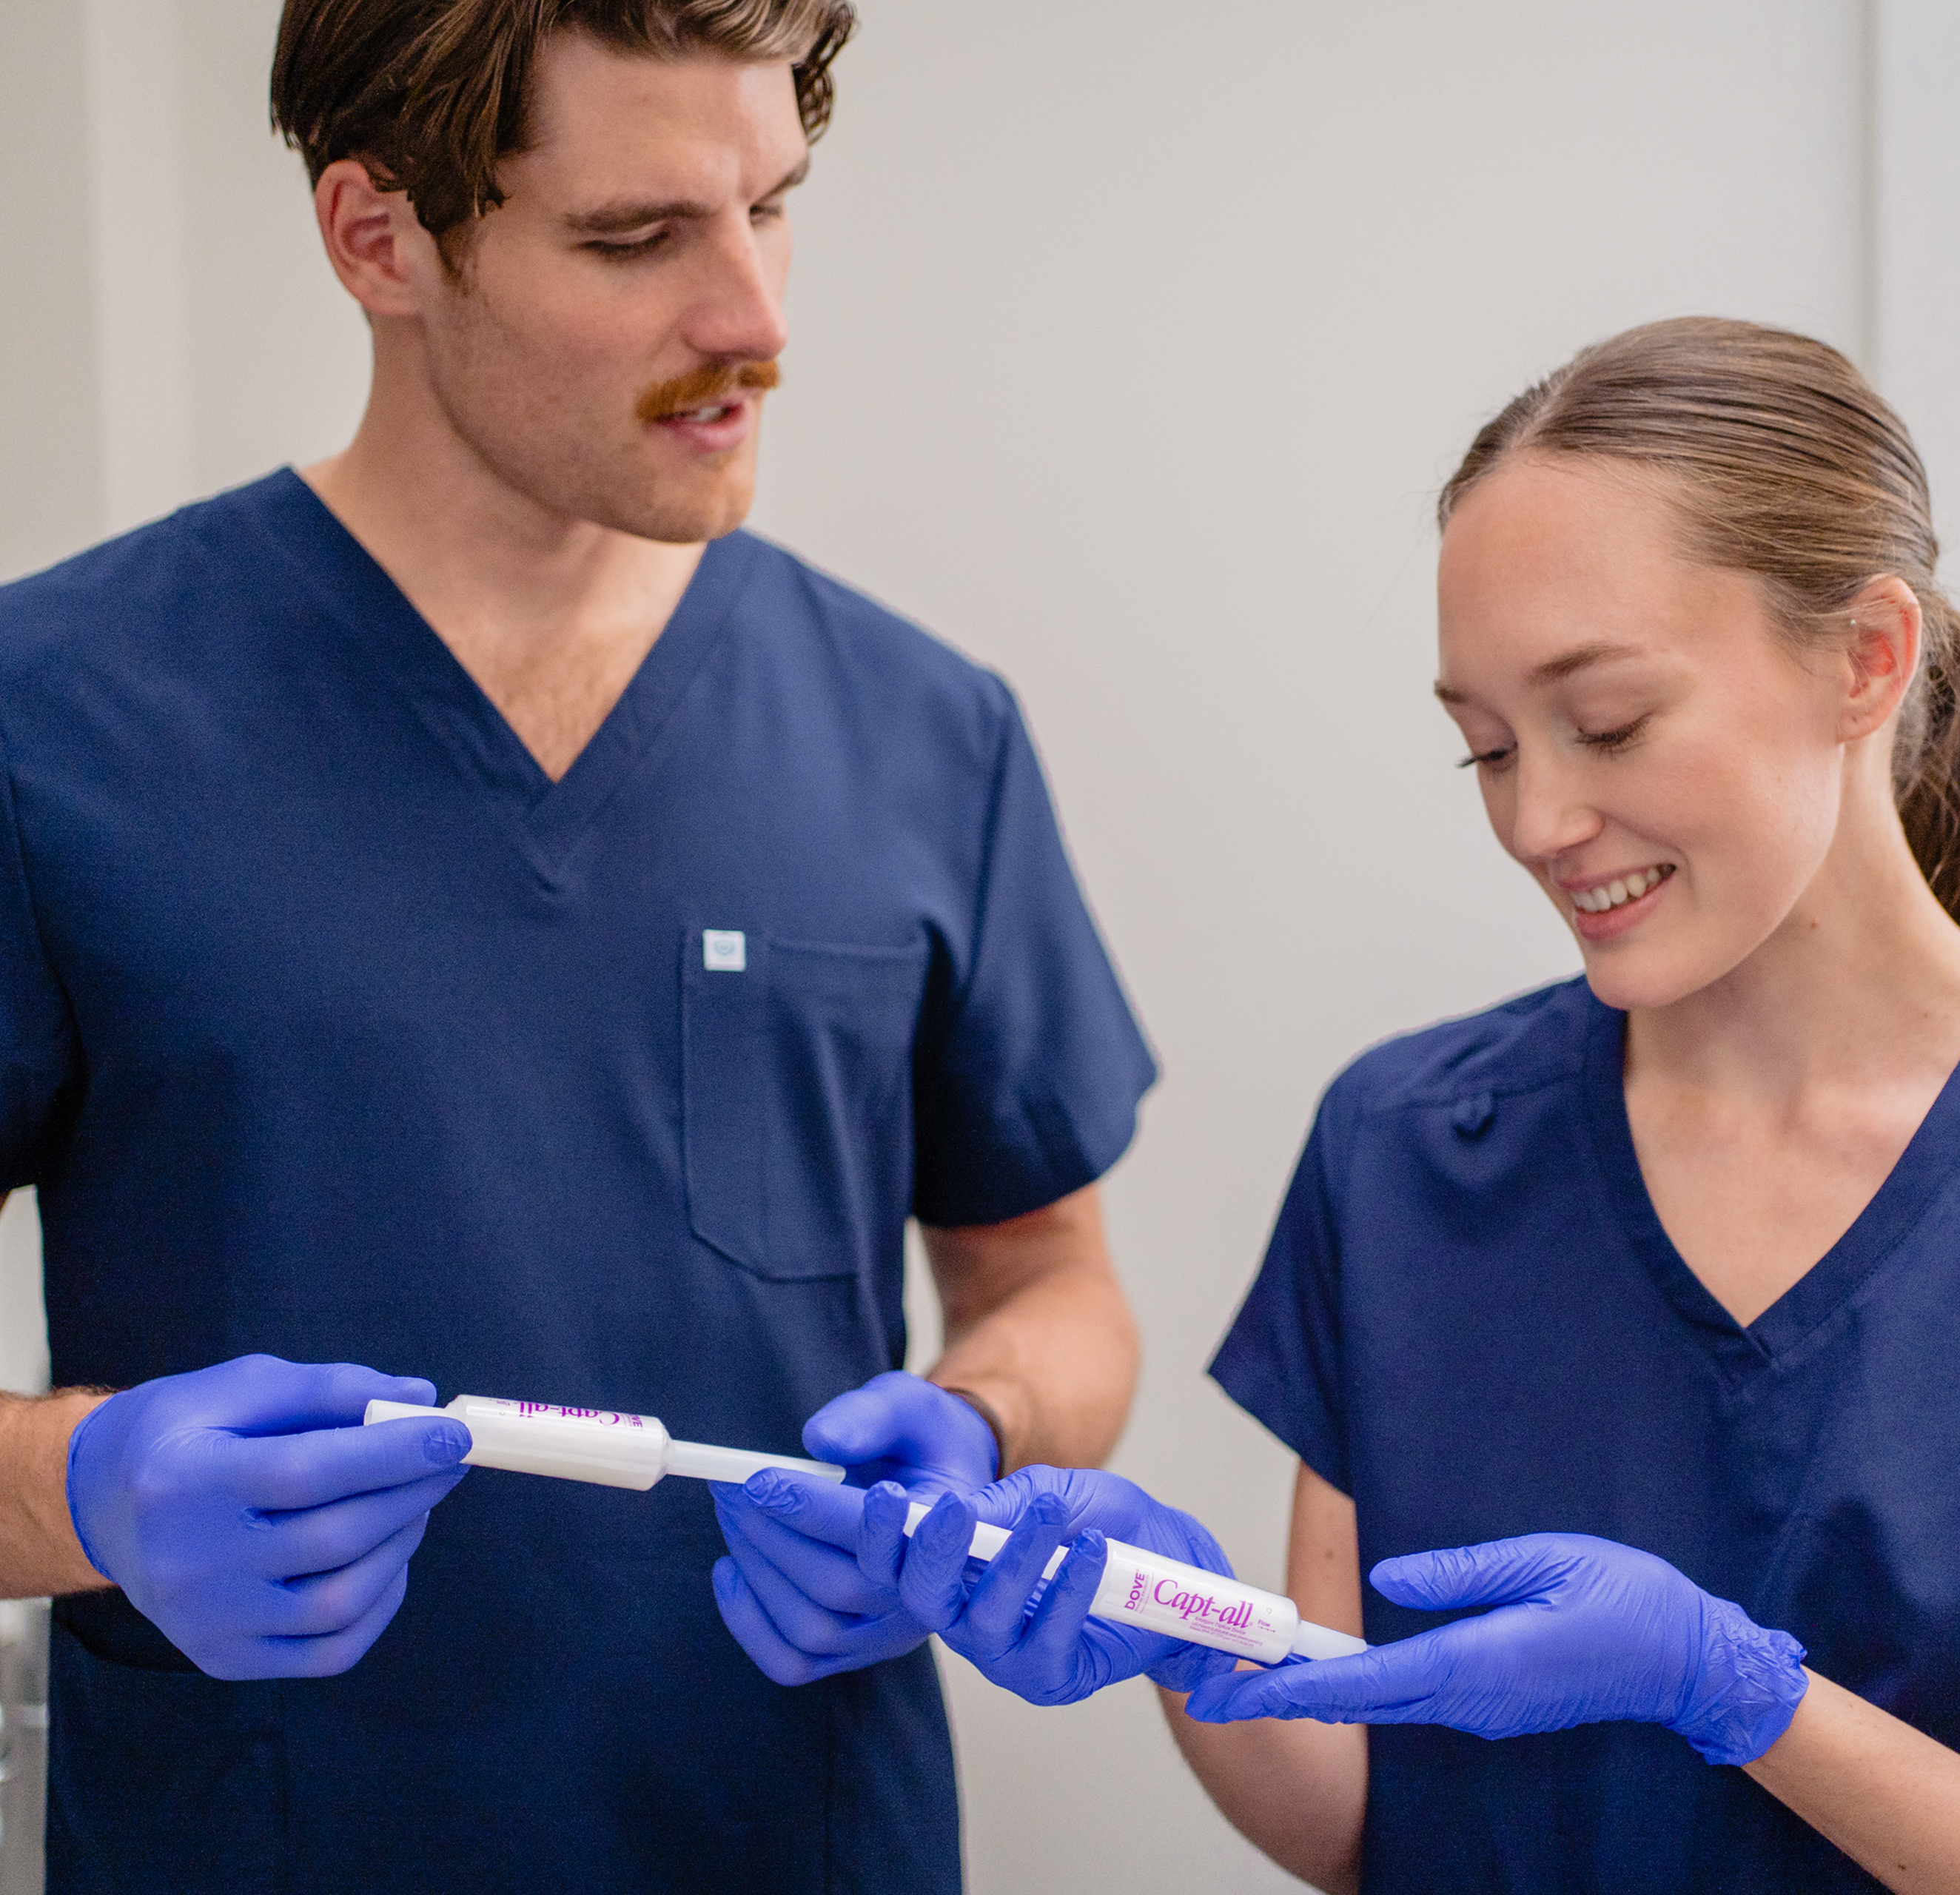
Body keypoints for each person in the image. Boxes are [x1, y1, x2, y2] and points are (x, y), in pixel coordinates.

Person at [739, 317, 1960, 1893]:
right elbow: (1368, 1814)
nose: (1538, 819)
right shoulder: (1406, 1153)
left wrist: (1744, 1699)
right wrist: (1181, 1629)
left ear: (1866, 660)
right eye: (1483, 749)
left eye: (1606, 723)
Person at [0, 3, 1155, 1888]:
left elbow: (1057, 1285)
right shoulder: (51, 723)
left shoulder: (920, 734)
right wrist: (82, 1491)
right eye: (635, 238)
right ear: (378, 237)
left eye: (770, 207)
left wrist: (981, 1425)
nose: (755, 316)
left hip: (795, 1834)